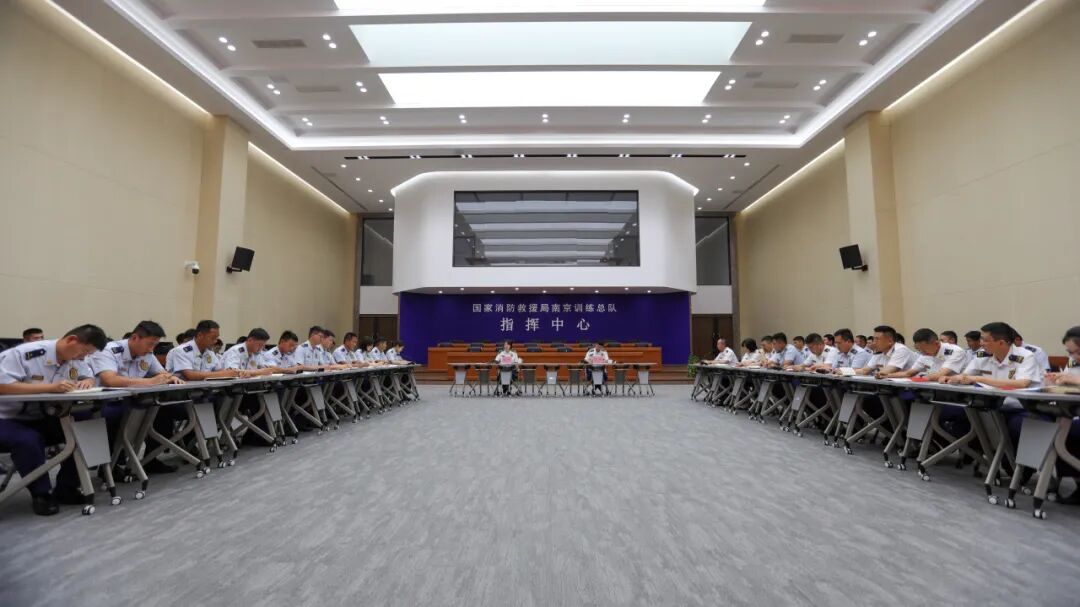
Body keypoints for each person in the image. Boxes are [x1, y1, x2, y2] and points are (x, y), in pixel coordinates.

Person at [0, 324, 106, 515]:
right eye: (84, 351)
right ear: (71, 340)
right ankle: (41, 494)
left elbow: (88, 375)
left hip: (40, 415)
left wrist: (87, 381)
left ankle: (67, 487)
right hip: (6, 417)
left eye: (88, 354)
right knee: (28, 440)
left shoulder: (74, 358)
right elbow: (3, 386)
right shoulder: (24, 354)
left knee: (85, 425)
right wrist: (50, 388)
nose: (83, 357)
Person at [91, 321, 186, 474]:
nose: (151, 349)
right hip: (106, 403)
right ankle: (110, 467)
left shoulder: (147, 354)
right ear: (135, 338)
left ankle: (150, 459)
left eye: (154, 345)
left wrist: (171, 377)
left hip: (133, 401)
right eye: (150, 344)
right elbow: (110, 380)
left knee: (164, 411)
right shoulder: (109, 350)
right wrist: (150, 382)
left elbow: (162, 373)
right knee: (116, 416)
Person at [947, 322, 1043, 389]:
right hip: (989, 404)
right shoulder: (982, 355)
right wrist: (953, 378)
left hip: (1018, 405)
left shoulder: (1025, 356)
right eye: (981, 339)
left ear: (1001, 343)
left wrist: (979, 379)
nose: (981, 344)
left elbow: (1022, 384)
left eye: (985, 340)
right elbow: (966, 375)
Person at [166, 320, 246, 380]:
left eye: (217, 338)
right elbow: (190, 375)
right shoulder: (181, 350)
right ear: (200, 335)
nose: (215, 341)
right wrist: (224, 374)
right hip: (183, 393)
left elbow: (219, 370)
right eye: (213, 338)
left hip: (205, 390)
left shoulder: (209, 352)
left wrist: (232, 372)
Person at [881, 328, 968, 381]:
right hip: (933, 388)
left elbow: (940, 374)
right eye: (920, 350)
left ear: (937, 343)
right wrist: (886, 375)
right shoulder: (924, 354)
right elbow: (908, 373)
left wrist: (921, 378)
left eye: (925, 349)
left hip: (958, 390)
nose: (923, 353)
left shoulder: (955, 351)